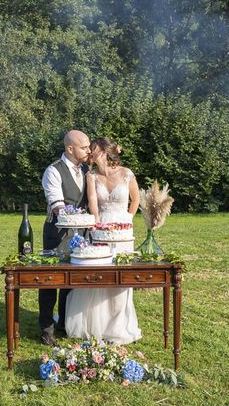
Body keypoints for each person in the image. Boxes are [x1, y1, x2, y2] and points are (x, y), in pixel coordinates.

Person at [64, 137, 142, 344]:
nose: (91, 152)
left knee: (121, 279)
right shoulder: (92, 176)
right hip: (100, 231)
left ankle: (118, 327)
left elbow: (136, 200)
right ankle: (97, 325)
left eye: (95, 149)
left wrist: (127, 219)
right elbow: (93, 204)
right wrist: (96, 226)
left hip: (124, 232)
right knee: (100, 278)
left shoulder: (126, 173)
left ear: (105, 152)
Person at [39, 130, 91, 346]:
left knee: (73, 281)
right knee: (50, 280)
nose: (89, 151)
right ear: (70, 149)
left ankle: (64, 323)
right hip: (57, 233)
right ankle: (46, 328)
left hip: (82, 235)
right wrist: (76, 217)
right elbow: (58, 206)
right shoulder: (53, 171)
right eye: (84, 147)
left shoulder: (88, 170)